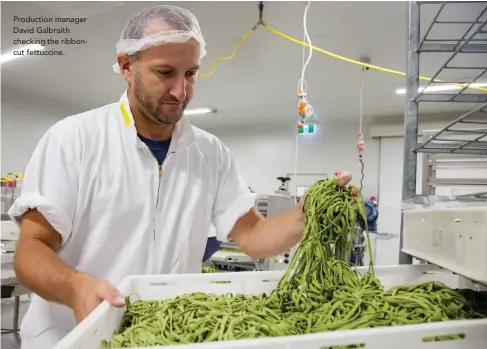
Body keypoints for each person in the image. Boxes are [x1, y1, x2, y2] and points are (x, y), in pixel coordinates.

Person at [8, 5, 354, 349]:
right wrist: (76, 287)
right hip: (72, 338)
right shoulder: (74, 140)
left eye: (190, 73)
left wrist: (306, 214)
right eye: (165, 72)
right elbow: (32, 250)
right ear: (127, 66)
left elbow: (251, 234)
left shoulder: (210, 153)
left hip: (168, 336)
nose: (180, 91)